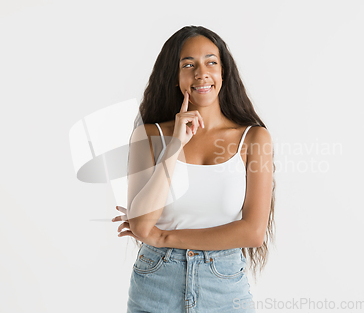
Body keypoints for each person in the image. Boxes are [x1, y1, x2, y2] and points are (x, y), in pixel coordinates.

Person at [112, 25, 275, 313]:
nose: (201, 73)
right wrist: (174, 145)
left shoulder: (254, 139)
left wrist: (164, 237)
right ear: (175, 77)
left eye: (211, 62)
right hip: (155, 285)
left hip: (224, 288)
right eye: (188, 65)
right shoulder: (149, 137)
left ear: (223, 72)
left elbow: (253, 231)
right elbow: (140, 225)